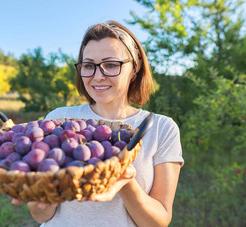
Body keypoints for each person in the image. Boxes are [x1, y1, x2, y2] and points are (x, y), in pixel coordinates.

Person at [12, 20, 184, 226]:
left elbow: (158, 222)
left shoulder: (160, 128)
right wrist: (40, 201)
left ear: (135, 68)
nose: (98, 76)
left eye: (111, 65)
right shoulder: (57, 120)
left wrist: (124, 179)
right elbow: (42, 216)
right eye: (89, 65)